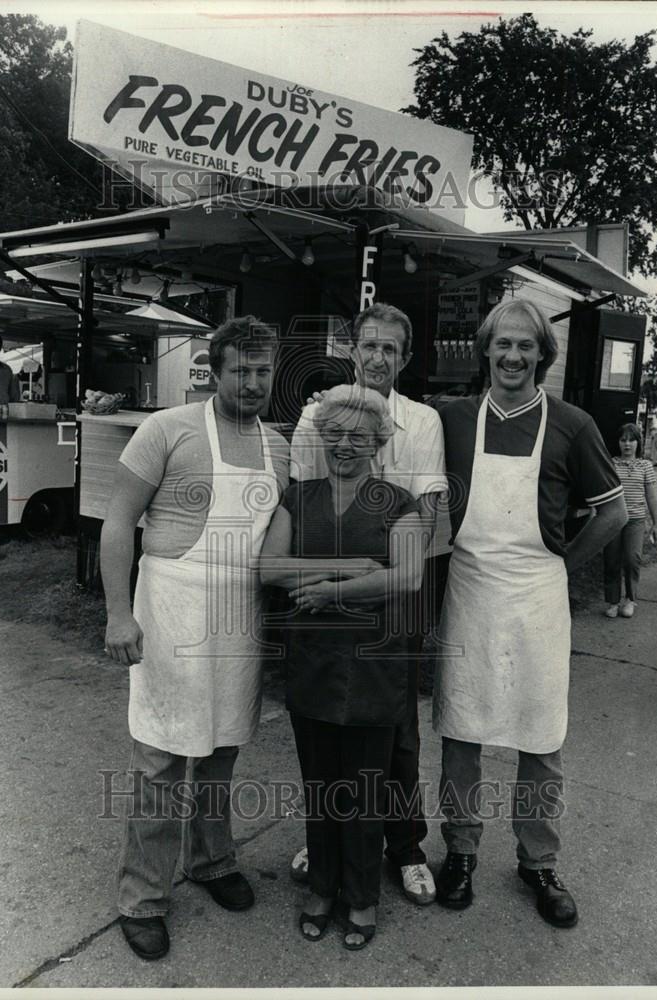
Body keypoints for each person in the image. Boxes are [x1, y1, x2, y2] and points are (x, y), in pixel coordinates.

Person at [434, 298, 627, 927]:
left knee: (541, 737)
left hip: (538, 596)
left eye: (525, 346)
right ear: (485, 351)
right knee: (462, 728)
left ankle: (538, 861)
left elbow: (613, 512)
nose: (513, 356)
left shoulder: (572, 424)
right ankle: (460, 852)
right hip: (469, 591)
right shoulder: (454, 420)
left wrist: (562, 564)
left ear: (542, 355)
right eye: (502, 345)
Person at [101, 316, 289, 961]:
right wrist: (118, 614)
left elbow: (279, 540)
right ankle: (143, 896)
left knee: (221, 749)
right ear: (216, 369)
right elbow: (118, 521)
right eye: (242, 370)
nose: (254, 383)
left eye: (264, 372)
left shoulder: (278, 447)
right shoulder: (166, 430)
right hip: (171, 610)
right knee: (160, 758)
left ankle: (212, 861)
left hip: (239, 619)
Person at [289, 302, 447, 906]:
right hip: (326, 592)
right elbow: (303, 504)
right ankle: (325, 841)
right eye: (369, 346)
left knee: (395, 731)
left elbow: (429, 514)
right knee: (326, 720)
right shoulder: (317, 417)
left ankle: (404, 847)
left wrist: (393, 577)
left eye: (390, 349)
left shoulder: (422, 422)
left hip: (397, 593)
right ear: (353, 350)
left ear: (404, 359)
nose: (378, 358)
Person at [260, 385, 426, 949]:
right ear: (321, 439)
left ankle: (361, 897)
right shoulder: (296, 497)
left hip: (376, 666)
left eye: (359, 436)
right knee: (321, 782)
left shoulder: (400, 503)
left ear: (379, 442)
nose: (345, 445)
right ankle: (324, 887)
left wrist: (332, 591)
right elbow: (269, 570)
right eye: (335, 435)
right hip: (313, 663)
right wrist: (351, 566)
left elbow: (406, 578)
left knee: (367, 787)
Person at [603, 423, 657, 619]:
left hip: (636, 520)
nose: (627, 444)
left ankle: (630, 600)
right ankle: (612, 601)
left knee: (632, 559)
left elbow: (651, 496)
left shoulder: (645, 466)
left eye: (631, 440)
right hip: (614, 519)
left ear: (638, 443)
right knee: (611, 560)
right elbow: (604, 492)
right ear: (618, 443)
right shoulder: (610, 463)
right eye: (623, 440)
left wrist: (656, 522)